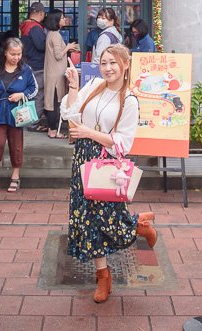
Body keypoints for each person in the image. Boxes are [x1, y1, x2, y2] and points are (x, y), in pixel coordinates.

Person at [61, 43, 156, 303]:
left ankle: (138, 225)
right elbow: (71, 113)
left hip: (106, 162)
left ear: (125, 65)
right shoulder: (93, 87)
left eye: (113, 62)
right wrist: (72, 87)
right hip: (82, 158)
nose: (108, 68)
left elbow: (124, 143)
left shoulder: (130, 100)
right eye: (104, 63)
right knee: (87, 221)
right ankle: (103, 276)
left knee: (109, 221)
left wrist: (89, 133)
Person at [0, 38, 38, 193]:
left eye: (19, 54)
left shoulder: (26, 70)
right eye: (13, 54)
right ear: (5, 53)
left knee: (16, 146)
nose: (16, 57)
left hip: (17, 114)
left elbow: (34, 89)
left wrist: (22, 94)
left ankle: (15, 175)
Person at [43, 9, 79, 138]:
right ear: (56, 21)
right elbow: (58, 56)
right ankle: (53, 130)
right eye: (62, 18)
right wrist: (68, 47)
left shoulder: (51, 34)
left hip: (52, 73)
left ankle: (51, 129)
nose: (65, 19)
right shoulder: (56, 35)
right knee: (54, 103)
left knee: (52, 102)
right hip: (56, 74)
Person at [19, 1, 48, 130]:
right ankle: (33, 123)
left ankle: (29, 120)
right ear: (41, 13)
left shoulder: (25, 25)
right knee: (38, 93)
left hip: (28, 63)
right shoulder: (35, 27)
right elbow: (41, 45)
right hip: (37, 65)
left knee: (29, 94)